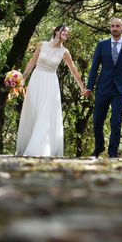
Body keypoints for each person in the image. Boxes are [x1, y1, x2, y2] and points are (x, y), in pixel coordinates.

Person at [16, 25, 87, 157]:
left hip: (50, 83)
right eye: (64, 30)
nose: (66, 33)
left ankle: (39, 149)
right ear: (56, 31)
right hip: (37, 80)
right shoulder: (42, 45)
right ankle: (27, 145)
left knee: (45, 113)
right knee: (33, 111)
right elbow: (32, 62)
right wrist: (23, 78)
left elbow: (73, 70)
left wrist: (81, 86)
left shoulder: (64, 52)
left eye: (68, 32)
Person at [84, 18, 122, 158]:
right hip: (103, 87)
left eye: (117, 26)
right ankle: (99, 147)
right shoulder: (102, 45)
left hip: (120, 89)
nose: (114, 28)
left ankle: (112, 153)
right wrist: (89, 87)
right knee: (97, 120)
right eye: (112, 26)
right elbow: (94, 68)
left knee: (116, 121)